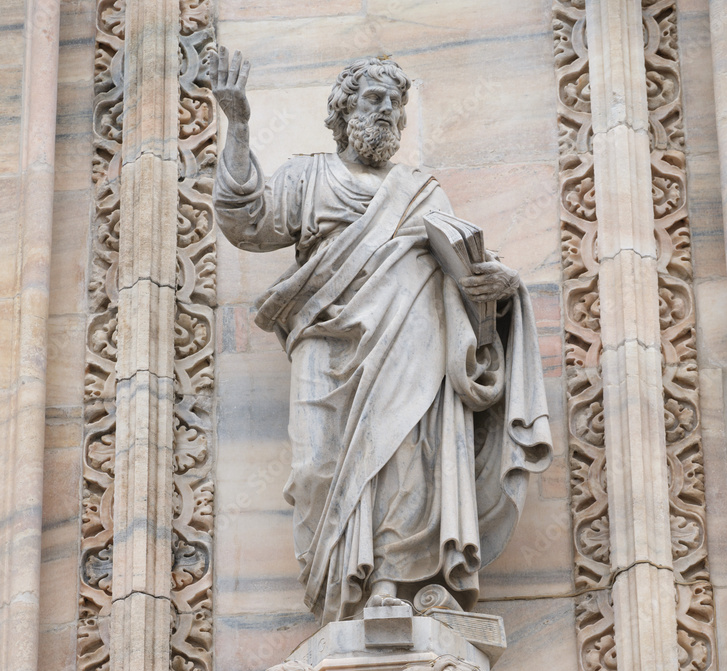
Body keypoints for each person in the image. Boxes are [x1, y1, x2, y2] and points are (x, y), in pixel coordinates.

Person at [210, 48, 553, 623]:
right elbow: (246, 221)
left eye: (396, 102)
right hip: (326, 338)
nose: (388, 110)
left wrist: (504, 285)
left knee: (405, 457)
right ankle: (335, 584)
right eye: (374, 98)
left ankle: (392, 581)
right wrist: (240, 125)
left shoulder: (422, 191)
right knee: (317, 465)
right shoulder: (308, 174)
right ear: (345, 110)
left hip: (410, 339)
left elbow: (467, 270)